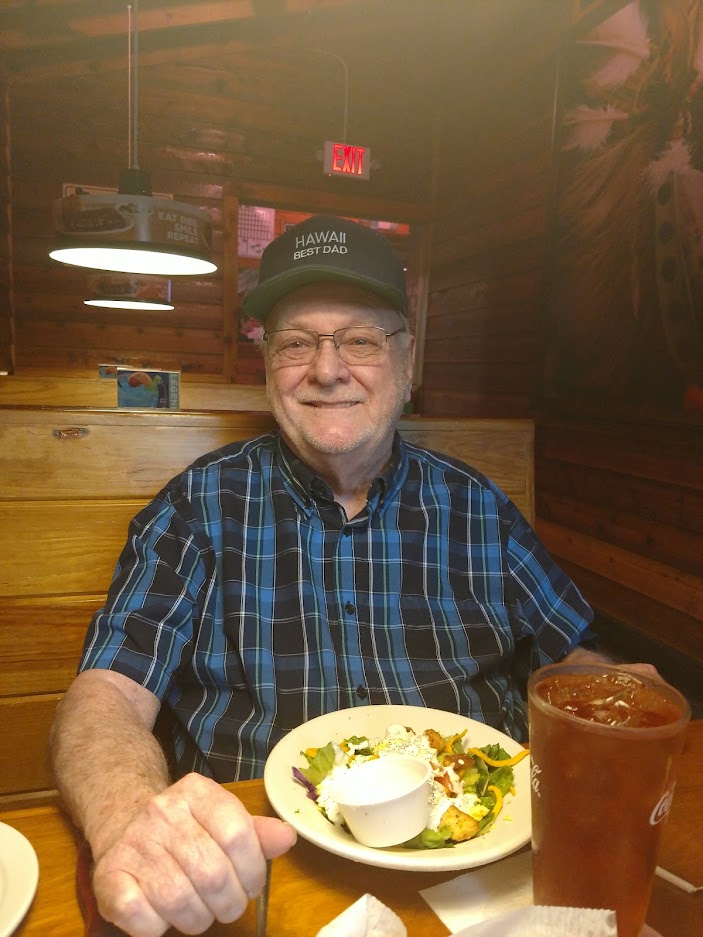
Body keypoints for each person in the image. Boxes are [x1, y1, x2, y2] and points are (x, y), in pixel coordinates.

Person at [50, 214, 643, 937]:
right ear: (267, 363)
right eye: (296, 343)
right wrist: (126, 817)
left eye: (360, 340)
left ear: (407, 360)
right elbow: (106, 695)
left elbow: (575, 659)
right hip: (258, 873)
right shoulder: (197, 505)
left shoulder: (478, 506)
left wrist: (619, 703)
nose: (327, 370)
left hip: (486, 878)